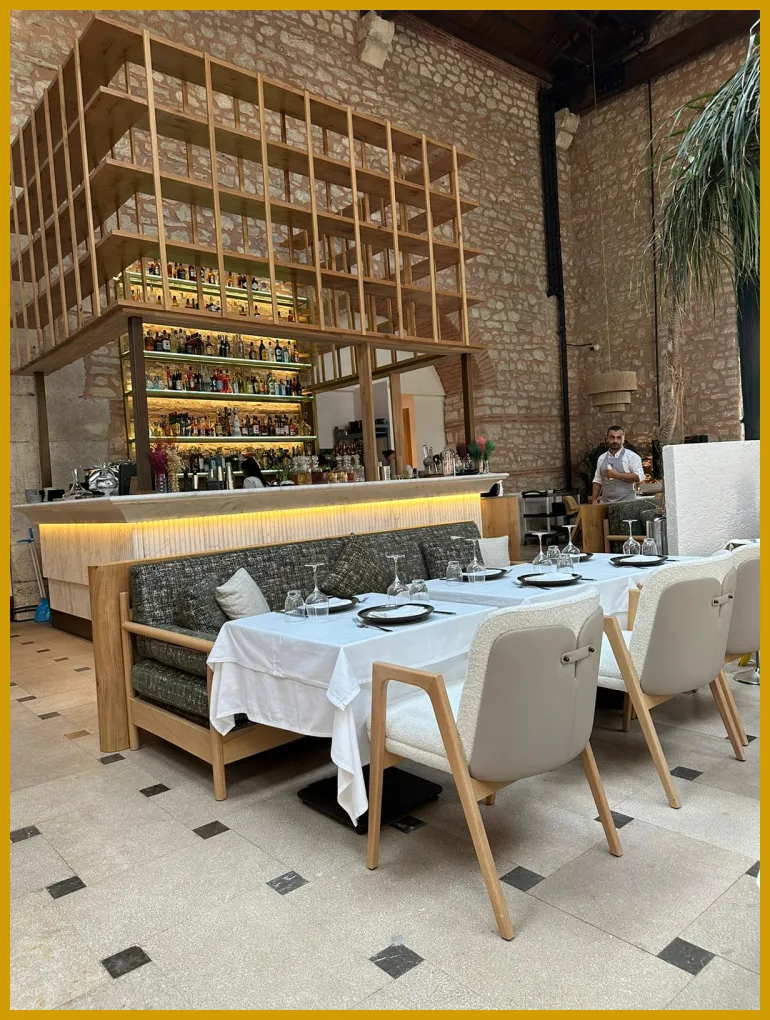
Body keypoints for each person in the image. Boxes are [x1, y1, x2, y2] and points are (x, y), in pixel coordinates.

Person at [591, 426, 644, 504]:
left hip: (627, 504)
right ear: (607, 439)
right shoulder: (601, 458)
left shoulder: (631, 456)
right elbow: (598, 480)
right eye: (612, 437)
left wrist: (616, 475)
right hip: (605, 504)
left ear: (623, 439)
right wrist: (594, 500)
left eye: (619, 438)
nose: (615, 441)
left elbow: (639, 477)